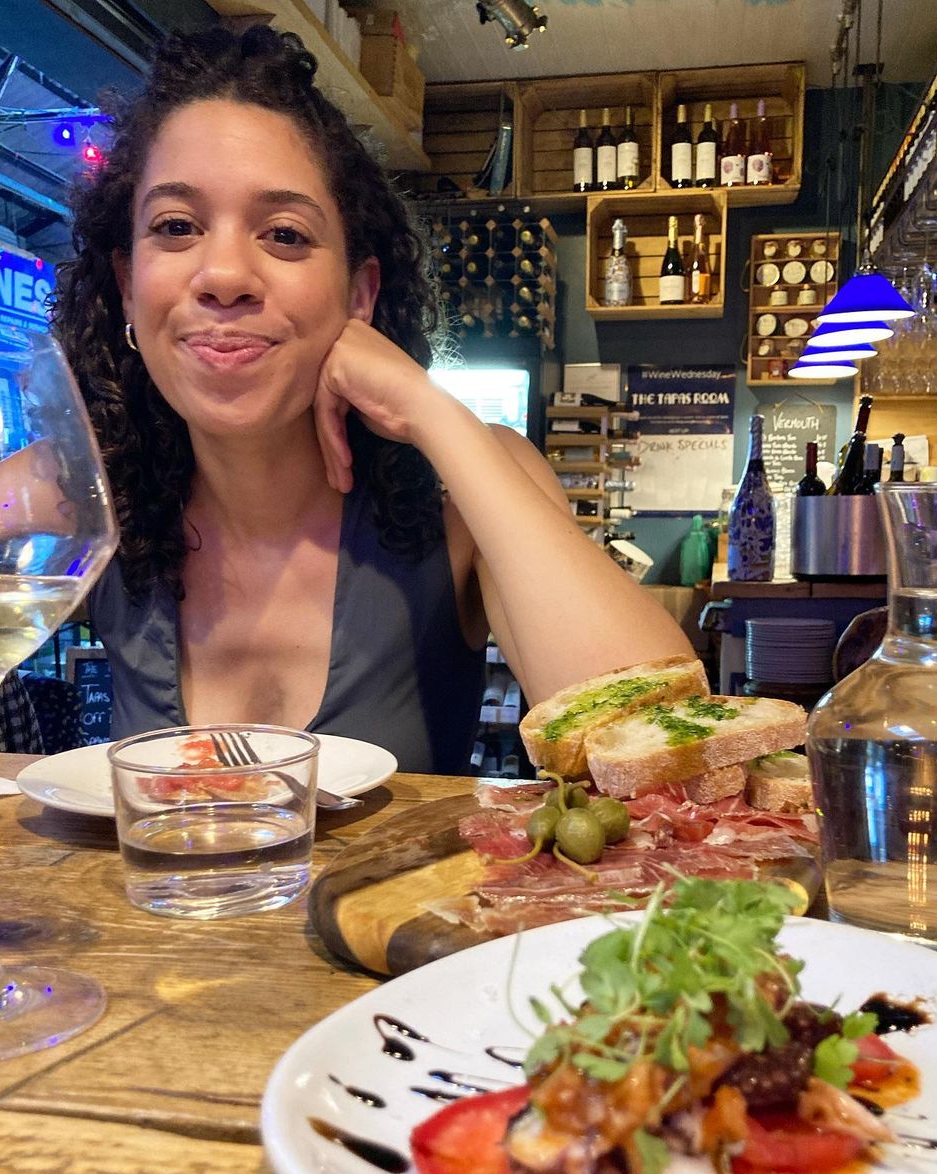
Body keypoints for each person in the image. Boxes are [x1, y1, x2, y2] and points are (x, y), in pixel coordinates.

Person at [51, 25, 693, 774]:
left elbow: (662, 741)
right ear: (128, 285)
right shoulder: (90, 497)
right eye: (176, 226)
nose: (223, 275)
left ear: (360, 294)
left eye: (284, 234)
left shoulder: (464, 491)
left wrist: (430, 409)